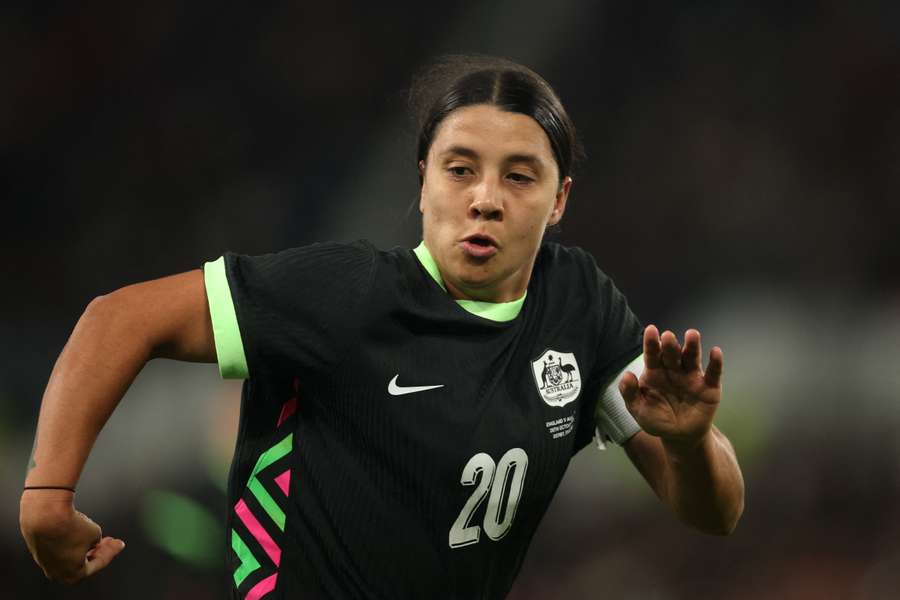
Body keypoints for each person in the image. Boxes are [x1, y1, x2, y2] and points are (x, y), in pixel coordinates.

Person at [20, 55, 744, 598]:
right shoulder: (344, 293)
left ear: (560, 200)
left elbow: (715, 513)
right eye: (460, 170)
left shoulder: (579, 305)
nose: (486, 198)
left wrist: (685, 445)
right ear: (423, 178)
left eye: (520, 176)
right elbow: (119, 319)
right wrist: (47, 496)